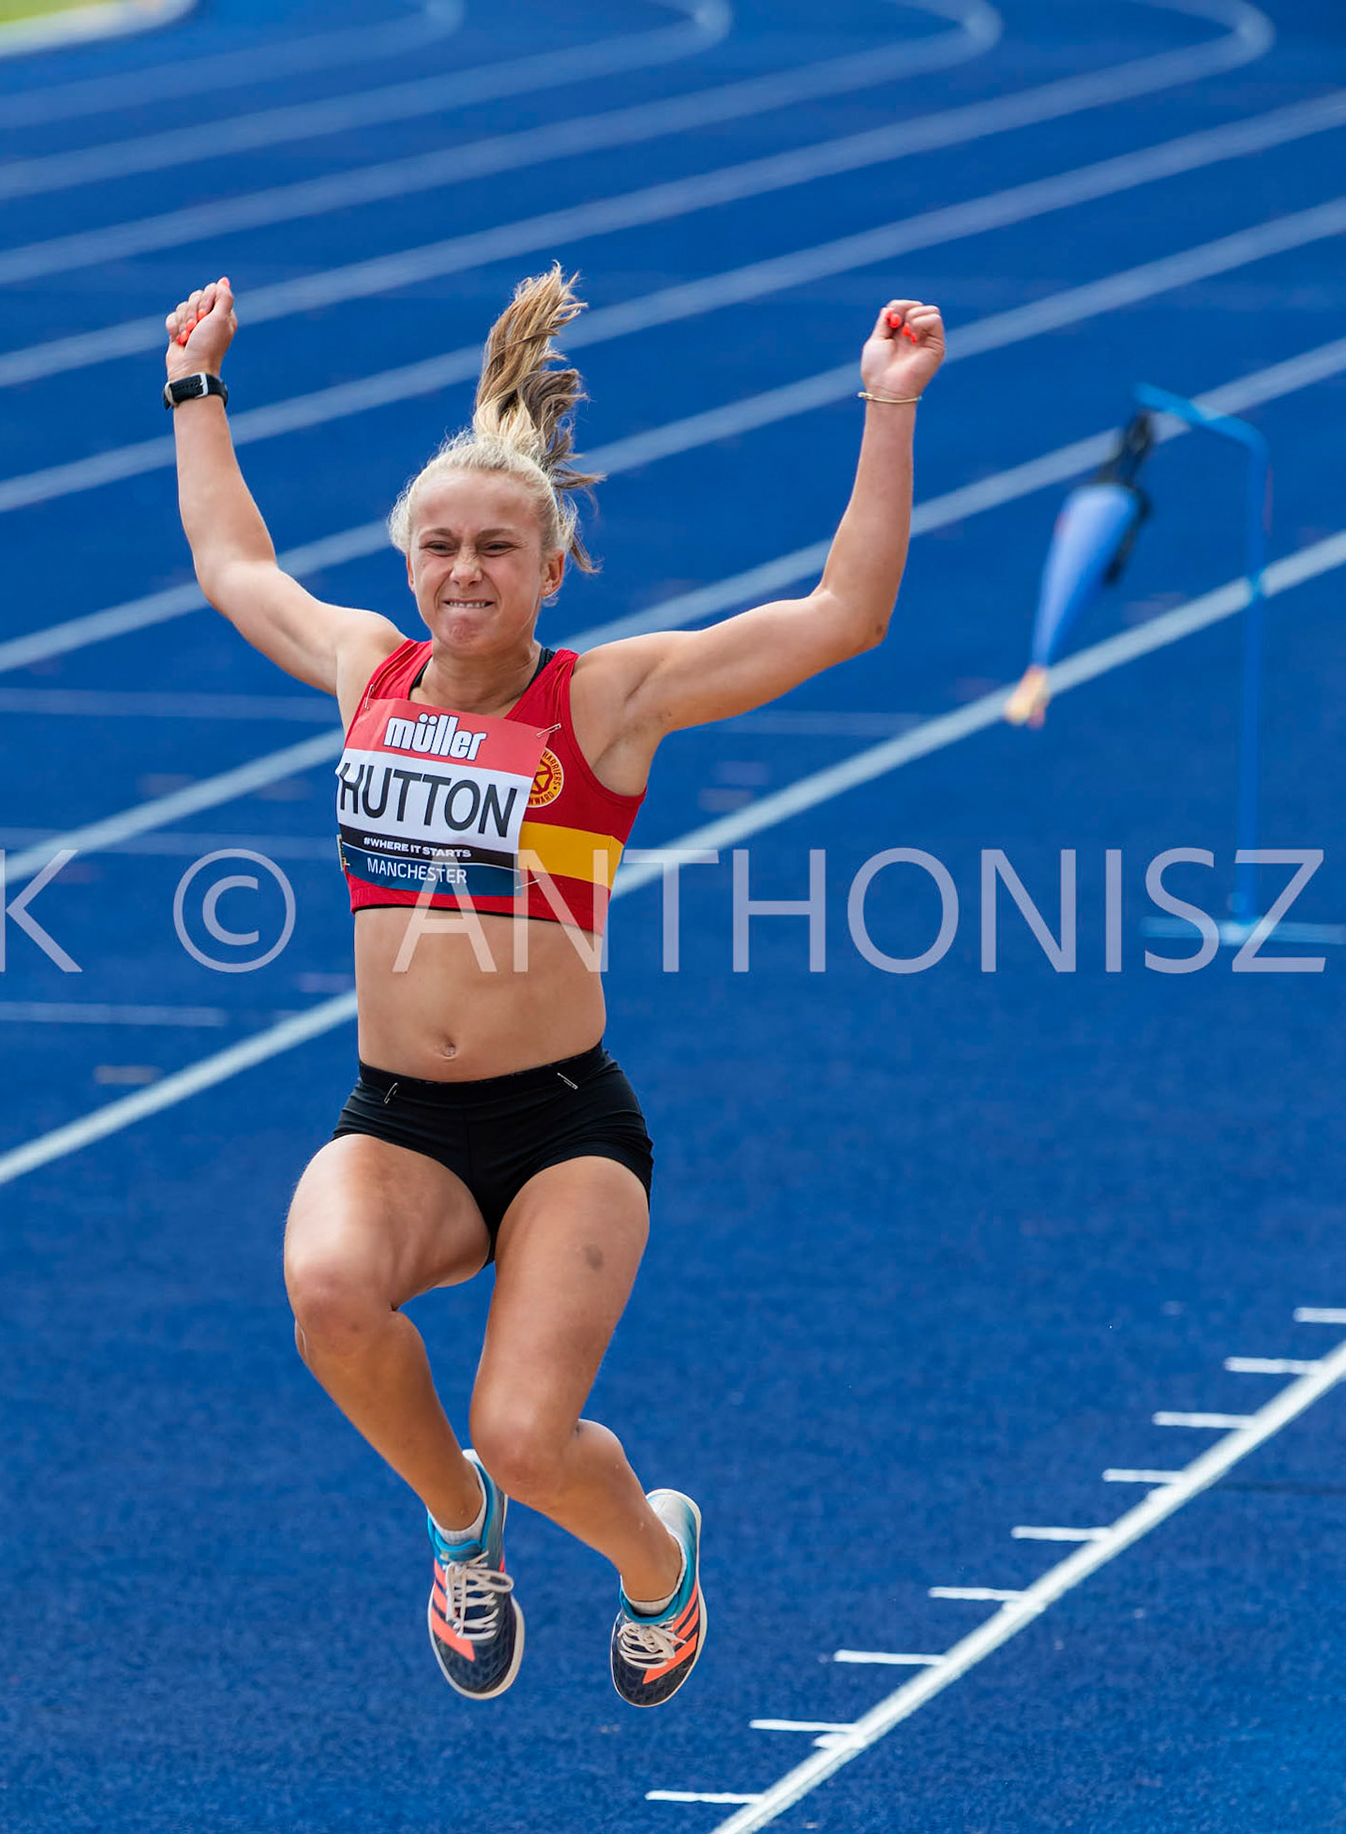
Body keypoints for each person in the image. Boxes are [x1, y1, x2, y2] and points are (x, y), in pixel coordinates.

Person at [163, 266, 943, 1705]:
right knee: (329, 1293)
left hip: (565, 1127)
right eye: (441, 547)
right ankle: (464, 1531)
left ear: (553, 567)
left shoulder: (604, 699)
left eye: (497, 551)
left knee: (531, 1430)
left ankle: (658, 1564)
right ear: (410, 561)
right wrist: (195, 389)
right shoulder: (366, 672)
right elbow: (234, 567)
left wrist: (883, 409)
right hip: (398, 1117)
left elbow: (846, 614)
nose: (465, 572)